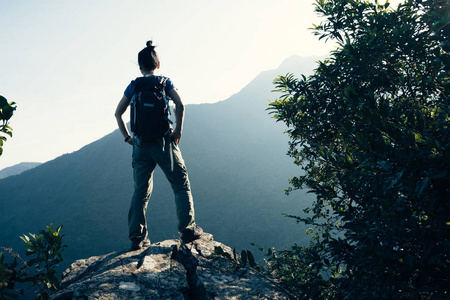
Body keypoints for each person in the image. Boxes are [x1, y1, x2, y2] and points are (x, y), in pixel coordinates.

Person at [115, 41, 202, 250]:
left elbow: (118, 113)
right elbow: (180, 105)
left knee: (141, 191)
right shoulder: (165, 82)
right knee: (180, 185)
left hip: (140, 145)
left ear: (140, 66)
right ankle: (188, 230)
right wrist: (178, 130)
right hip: (164, 143)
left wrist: (128, 138)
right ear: (158, 64)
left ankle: (137, 238)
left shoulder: (134, 85)